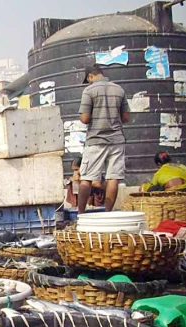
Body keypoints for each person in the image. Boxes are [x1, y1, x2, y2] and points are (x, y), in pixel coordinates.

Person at [77, 63, 130, 214]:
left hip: (95, 141)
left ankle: (80, 215)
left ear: (90, 76)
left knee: (86, 178)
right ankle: (108, 214)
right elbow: (126, 117)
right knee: (113, 178)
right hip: (117, 140)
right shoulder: (119, 89)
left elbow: (85, 118)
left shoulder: (89, 90)